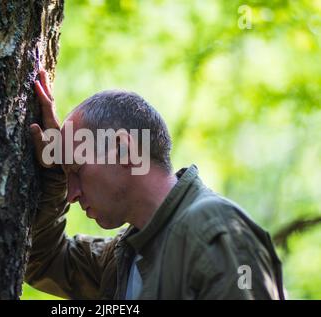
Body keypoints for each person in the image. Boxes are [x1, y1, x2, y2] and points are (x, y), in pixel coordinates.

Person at [25, 69, 285, 300]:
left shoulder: (215, 230)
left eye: (77, 171)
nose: (71, 194)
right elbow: (43, 258)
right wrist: (55, 175)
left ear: (123, 151)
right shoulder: (123, 256)